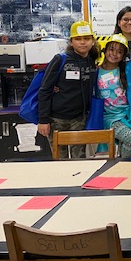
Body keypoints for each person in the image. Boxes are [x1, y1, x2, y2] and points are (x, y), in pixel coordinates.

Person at [37, 21, 99, 159]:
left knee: (79, 159)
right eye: (78, 39)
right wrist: (43, 120)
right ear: (71, 42)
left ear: (93, 41)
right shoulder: (60, 59)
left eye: (86, 38)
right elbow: (45, 90)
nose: (82, 42)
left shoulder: (92, 61)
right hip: (56, 119)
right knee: (60, 160)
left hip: (80, 119)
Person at [97, 34, 131, 158]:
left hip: (128, 116)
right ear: (105, 50)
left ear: (123, 55)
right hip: (109, 118)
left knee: (130, 143)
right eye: (111, 49)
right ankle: (124, 165)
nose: (114, 54)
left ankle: (122, 166)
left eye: (119, 51)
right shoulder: (96, 71)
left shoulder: (126, 70)